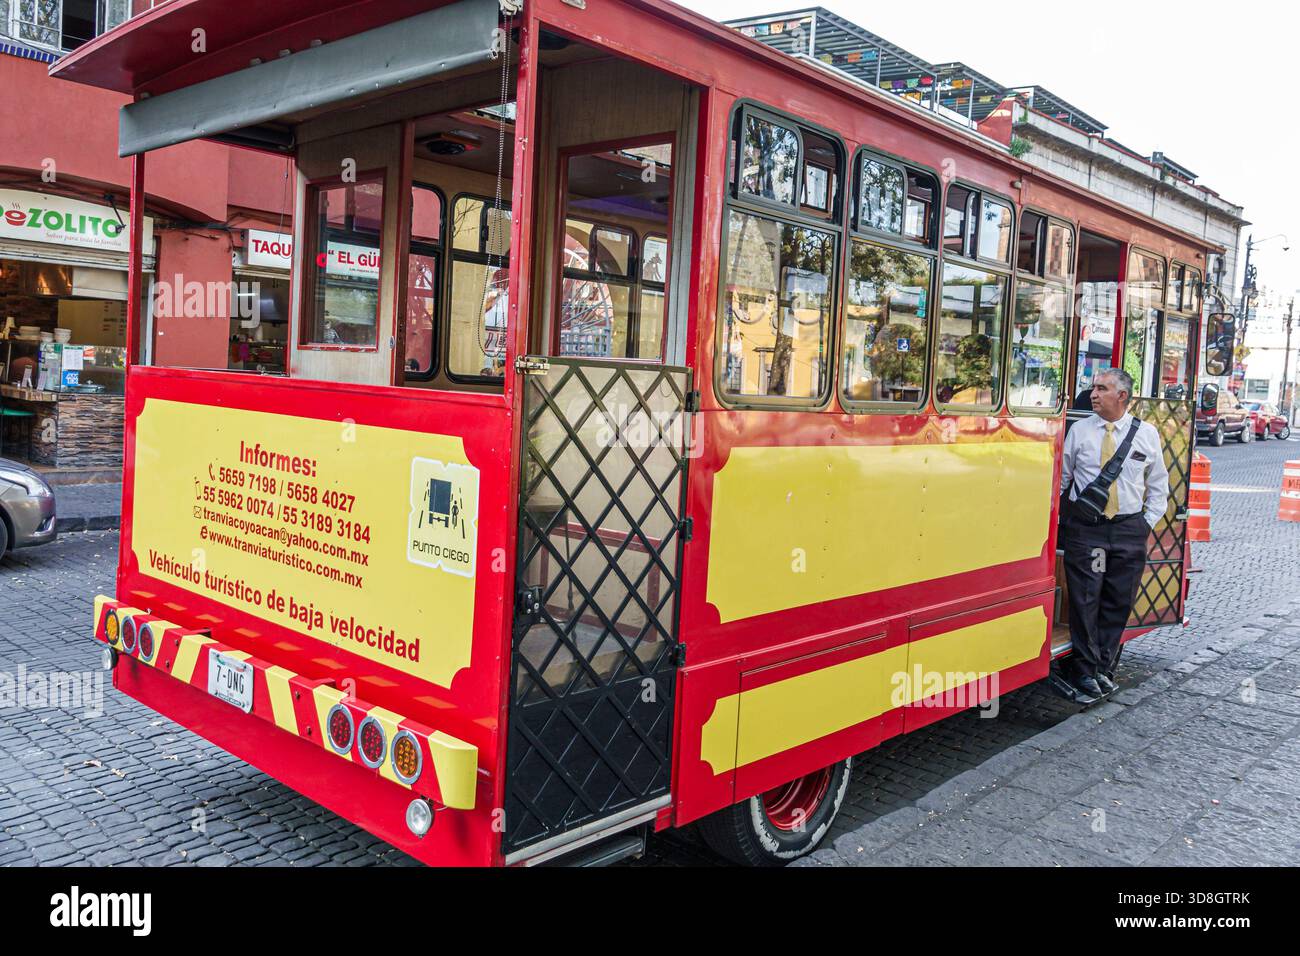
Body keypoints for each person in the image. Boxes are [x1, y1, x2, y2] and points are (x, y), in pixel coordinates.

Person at [1056, 368, 1169, 704]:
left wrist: (1145, 524)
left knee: (1118, 601)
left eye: (1102, 388)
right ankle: (1085, 671)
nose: (1093, 394)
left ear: (1122, 396)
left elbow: (1159, 486)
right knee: (1085, 600)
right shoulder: (1079, 432)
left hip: (1128, 529)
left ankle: (1102, 667)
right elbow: (1062, 480)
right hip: (1087, 530)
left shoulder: (1146, 434)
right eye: (1093, 388)